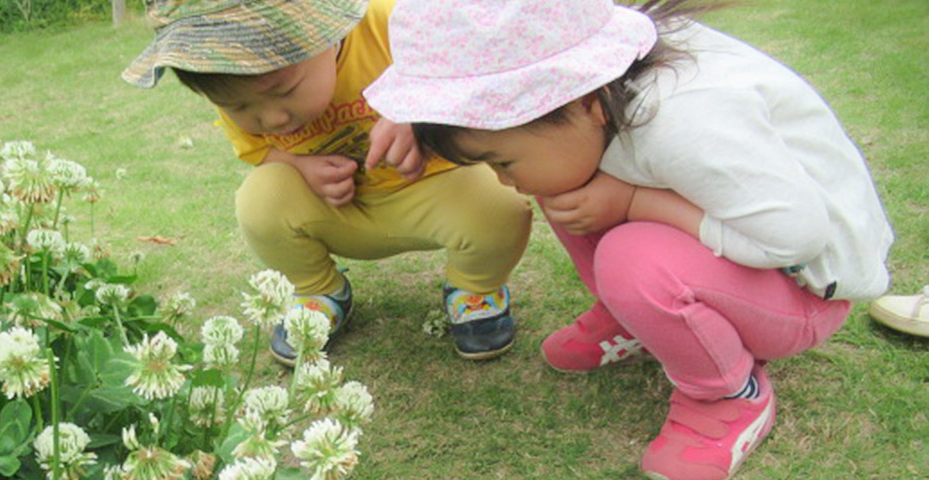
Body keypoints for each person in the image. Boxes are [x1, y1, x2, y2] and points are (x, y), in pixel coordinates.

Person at [364, 0, 893, 478]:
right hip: (747, 256)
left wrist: (633, 203)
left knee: (629, 257)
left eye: (501, 161)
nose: (504, 180)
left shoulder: (686, 122)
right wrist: (419, 116)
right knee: (559, 183)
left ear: (588, 102)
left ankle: (728, 393)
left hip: (802, 291)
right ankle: (641, 318)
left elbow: (793, 239)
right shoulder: (597, 89)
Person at [121, 0, 532, 366]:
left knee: (501, 203)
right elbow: (258, 150)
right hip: (339, 209)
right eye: (238, 106)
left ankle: (474, 289)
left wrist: (418, 115)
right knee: (260, 199)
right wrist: (297, 165)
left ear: (326, 32)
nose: (273, 119)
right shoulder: (239, 92)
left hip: (434, 188)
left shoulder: (390, 21)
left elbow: (471, 72)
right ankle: (319, 292)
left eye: (284, 90)